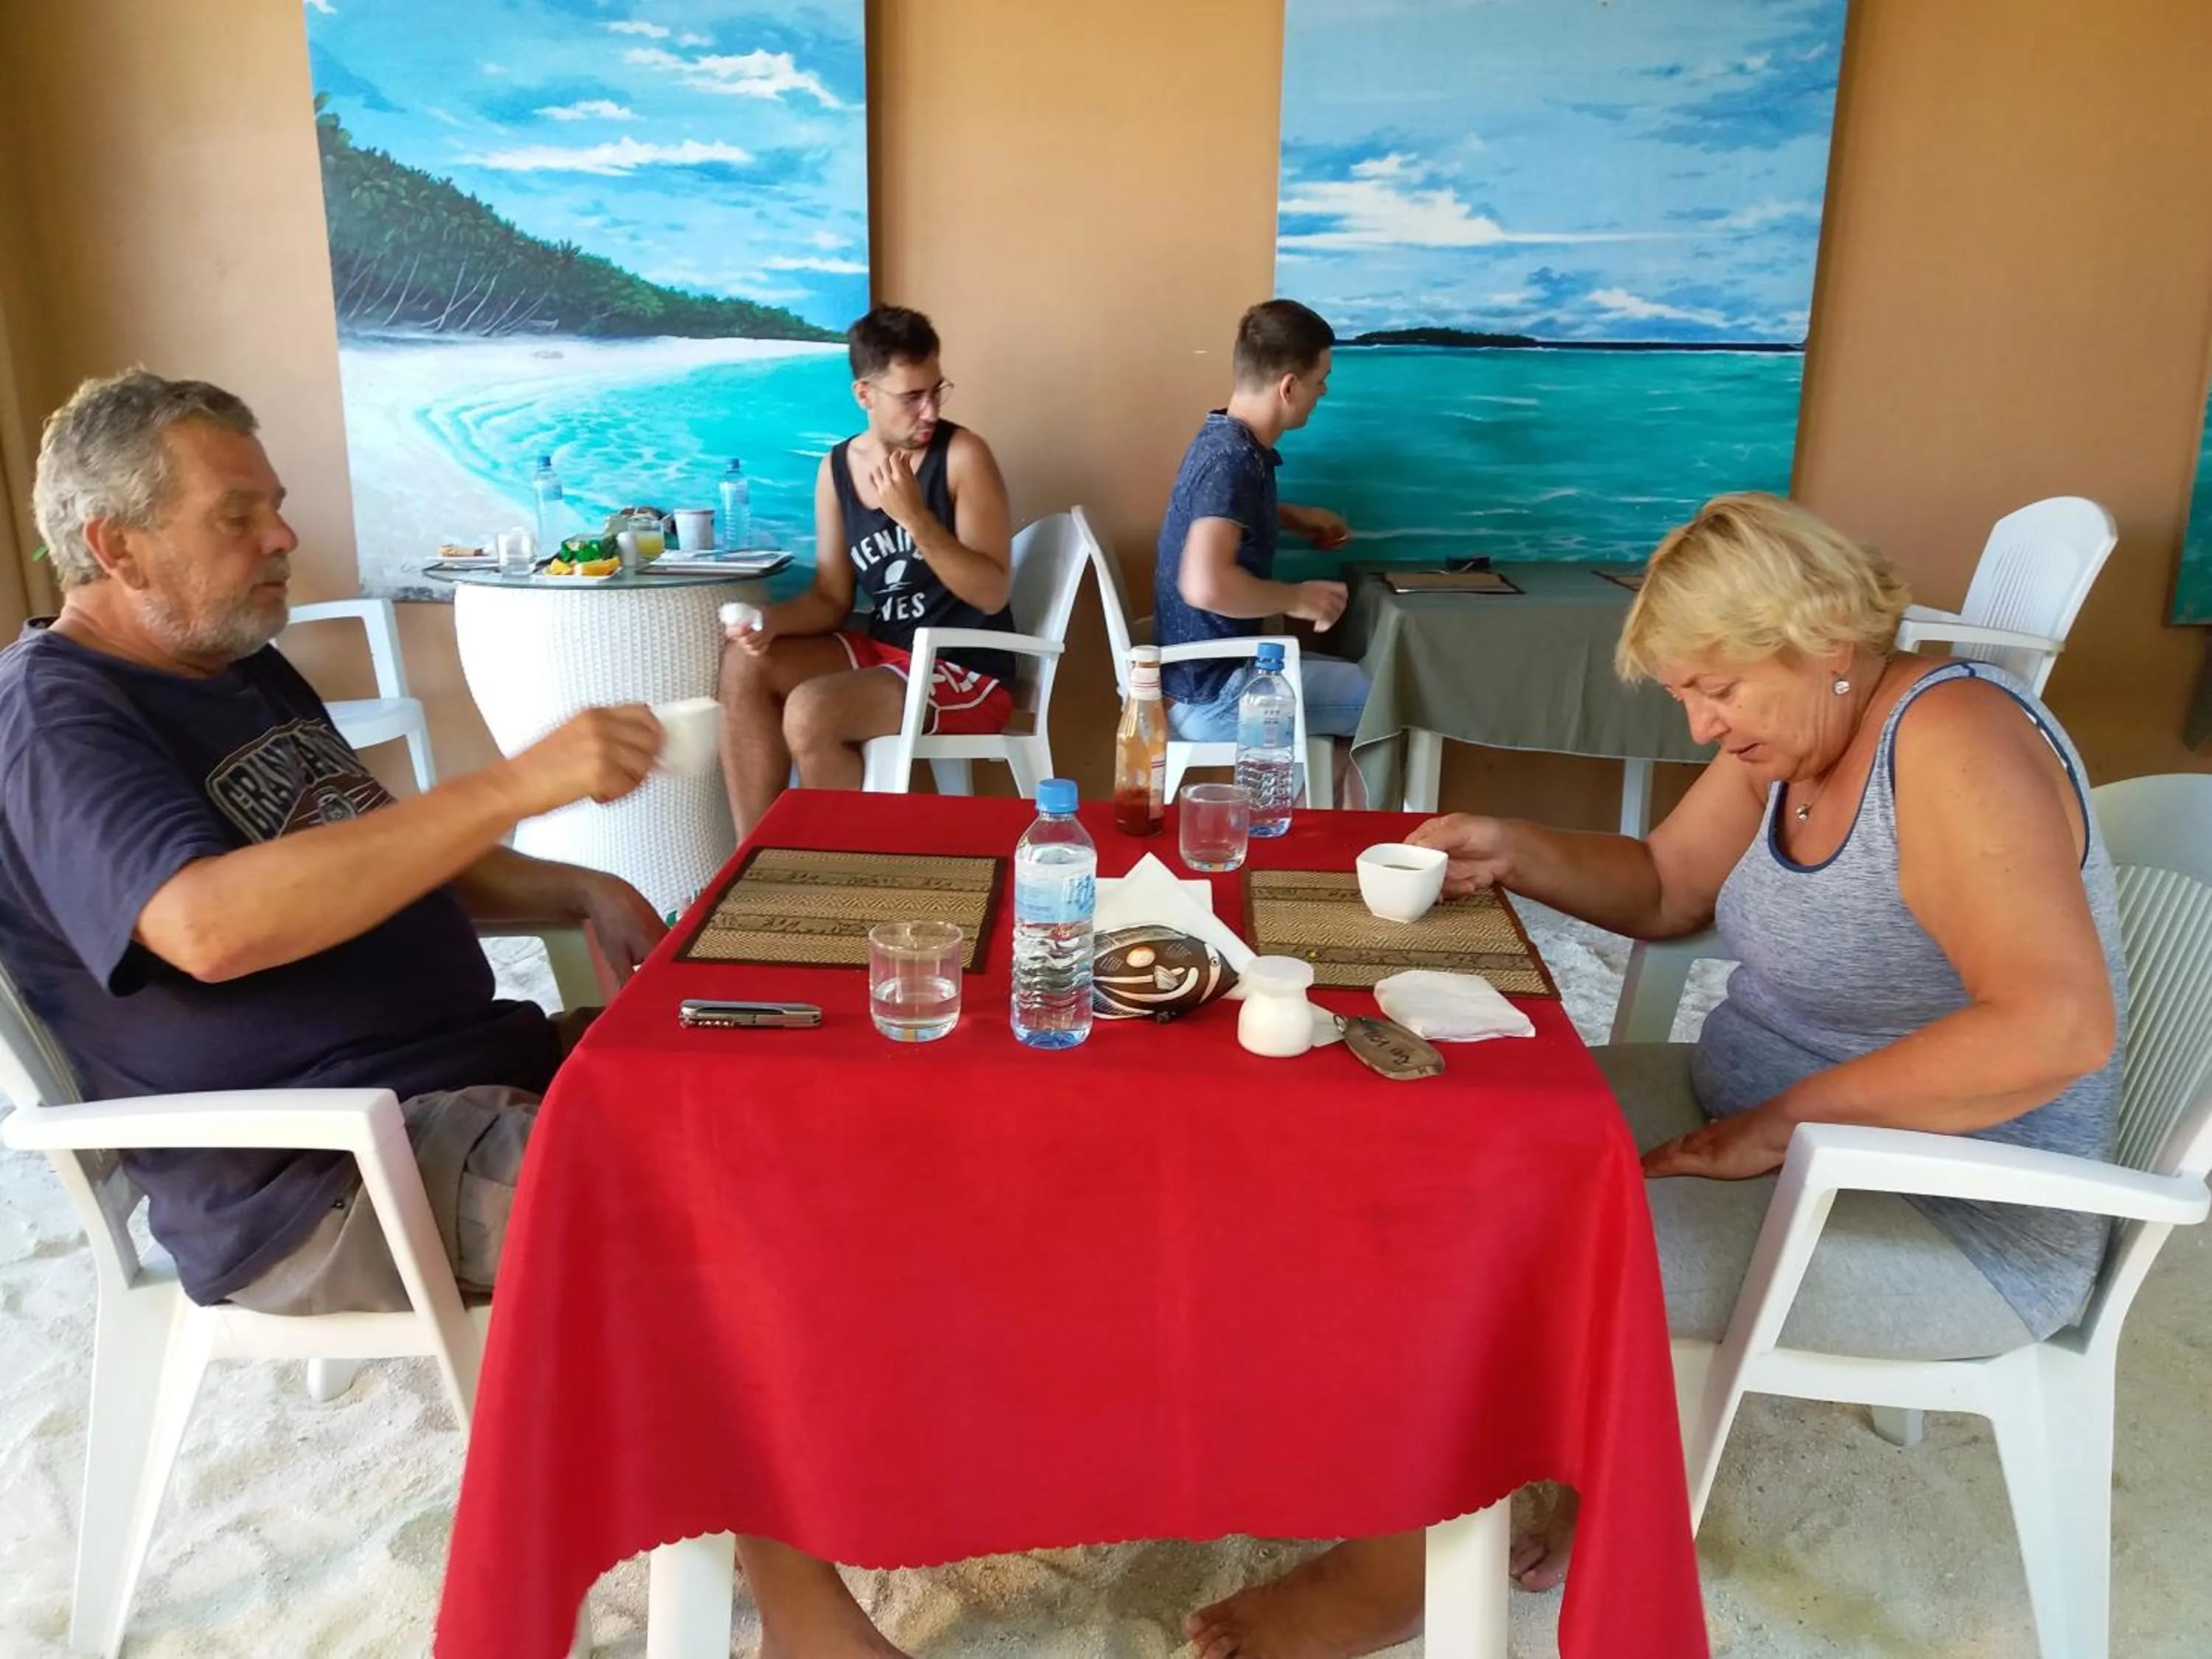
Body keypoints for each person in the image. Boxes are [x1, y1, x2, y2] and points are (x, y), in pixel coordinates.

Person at [7, 369, 905, 1656]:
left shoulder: (237, 666)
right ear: (116, 545)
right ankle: (804, 1619)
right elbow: (205, 924)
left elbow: (379, 853)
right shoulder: (57, 716)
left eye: (276, 504)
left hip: (462, 1080)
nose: (283, 536)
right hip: (322, 1170)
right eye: (237, 515)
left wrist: (573, 883)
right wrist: (515, 784)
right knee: (703, 1202)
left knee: (795, 1077)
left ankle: (837, 1451)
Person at [1184, 493, 2126, 1658]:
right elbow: (1671, 884)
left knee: (1495, 1249)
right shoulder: (1805, 726)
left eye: (1717, 688)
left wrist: (1773, 1127)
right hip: (1758, 1112)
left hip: (1948, 1208)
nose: (1698, 723)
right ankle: (1502, 1455)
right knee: (1437, 1130)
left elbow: (2055, 1027)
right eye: (1684, 692)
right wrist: (1516, 848)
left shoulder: (1955, 737)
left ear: (1828, 638)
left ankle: (1400, 1569)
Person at [717, 305, 1015, 838]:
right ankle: (755, 859)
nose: (929, 411)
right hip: (885, 650)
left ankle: (840, 871)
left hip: (964, 667)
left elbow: (992, 593)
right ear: (865, 395)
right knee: (744, 664)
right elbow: (831, 598)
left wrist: (916, 519)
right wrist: (772, 622)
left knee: (812, 710)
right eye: (911, 397)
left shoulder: (963, 457)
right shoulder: (836, 470)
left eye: (936, 391)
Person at [1154, 299, 1369, 803]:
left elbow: (1219, 517)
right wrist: (1298, 599)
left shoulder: (1222, 439)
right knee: (1392, 700)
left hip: (1197, 677)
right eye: (1321, 380)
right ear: (1289, 387)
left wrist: (1290, 516)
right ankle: (1342, 833)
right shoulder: (1234, 461)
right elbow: (1205, 585)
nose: (1324, 391)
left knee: (1358, 698)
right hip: (1214, 695)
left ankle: (1319, 815)